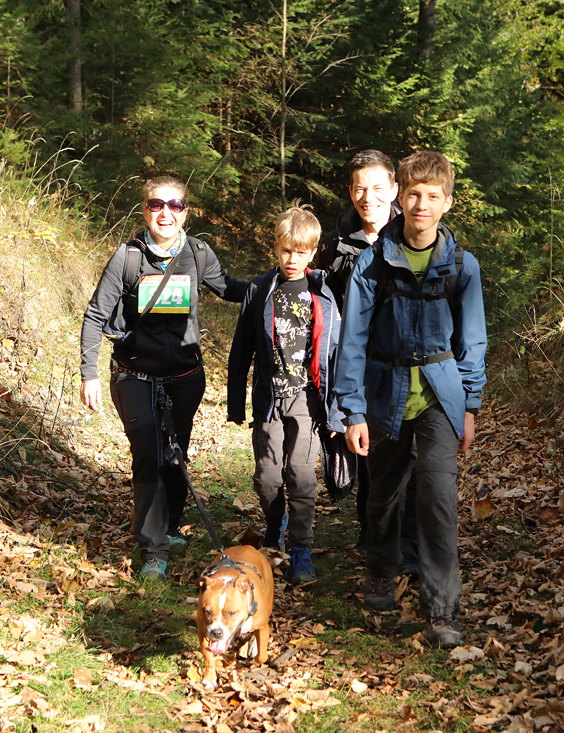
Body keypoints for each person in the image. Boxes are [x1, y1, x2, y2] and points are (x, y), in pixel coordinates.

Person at [333, 151, 487, 648]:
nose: (422, 205)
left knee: (438, 500)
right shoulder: (371, 263)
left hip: (440, 398)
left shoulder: (462, 266)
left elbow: (473, 341)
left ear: (447, 202)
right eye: (414, 195)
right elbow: (352, 341)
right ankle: (382, 571)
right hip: (384, 396)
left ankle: (441, 609)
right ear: (401, 198)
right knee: (383, 495)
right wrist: (353, 410)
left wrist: (469, 406)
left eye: (432, 196)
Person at [79, 176, 248, 580]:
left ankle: (169, 525)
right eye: (157, 204)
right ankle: (154, 548)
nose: (166, 213)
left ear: (185, 212)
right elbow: (95, 315)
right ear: (145, 210)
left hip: (185, 377)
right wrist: (89, 374)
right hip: (134, 375)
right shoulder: (127, 258)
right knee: (149, 455)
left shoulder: (198, 253)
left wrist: (278, 282)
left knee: (175, 454)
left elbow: (229, 289)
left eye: (175, 205)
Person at [227, 203, 343, 585]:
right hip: (269, 399)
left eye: (301, 251)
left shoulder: (322, 294)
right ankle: (275, 524)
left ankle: (301, 548)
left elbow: (335, 354)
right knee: (267, 479)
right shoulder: (261, 290)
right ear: (276, 248)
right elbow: (241, 349)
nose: (292, 258)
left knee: (302, 476)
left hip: (308, 400)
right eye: (286, 250)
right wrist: (235, 403)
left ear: (312, 253)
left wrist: (338, 410)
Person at [316, 150, 419, 577]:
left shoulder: (416, 236)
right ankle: (371, 532)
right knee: (367, 449)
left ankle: (406, 544)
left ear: (394, 189)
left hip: (408, 365)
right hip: (357, 366)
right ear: (350, 191)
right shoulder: (334, 247)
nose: (368, 197)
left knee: (408, 454)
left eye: (378, 188)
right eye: (360, 188)